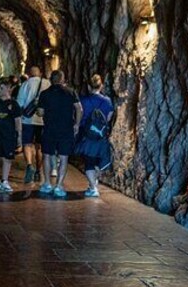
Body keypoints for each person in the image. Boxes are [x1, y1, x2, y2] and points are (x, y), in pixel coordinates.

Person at [37, 70, 83, 198]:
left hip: (49, 129)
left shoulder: (44, 94)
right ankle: (59, 186)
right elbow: (79, 108)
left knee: (46, 155)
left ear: (51, 79)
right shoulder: (71, 92)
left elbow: (40, 112)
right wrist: (77, 124)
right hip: (66, 129)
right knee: (63, 157)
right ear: (62, 79)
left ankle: (46, 183)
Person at [77, 74, 114, 197]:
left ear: (88, 86)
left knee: (89, 161)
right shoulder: (107, 101)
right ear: (101, 86)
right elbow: (108, 118)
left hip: (86, 134)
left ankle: (93, 188)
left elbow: (79, 115)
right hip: (100, 134)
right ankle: (93, 183)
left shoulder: (83, 100)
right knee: (98, 159)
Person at [0, 78, 22, 193]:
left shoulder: (14, 104)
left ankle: (5, 181)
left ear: (8, 89)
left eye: (1, 88)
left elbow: (18, 121)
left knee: (7, 158)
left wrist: (19, 136)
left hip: (9, 136)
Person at [15, 66, 50, 183]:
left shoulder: (25, 84)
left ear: (29, 74)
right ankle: (38, 171)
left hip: (27, 120)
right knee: (39, 146)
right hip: (43, 120)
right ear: (40, 73)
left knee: (27, 144)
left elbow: (19, 103)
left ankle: (30, 165)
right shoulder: (47, 83)